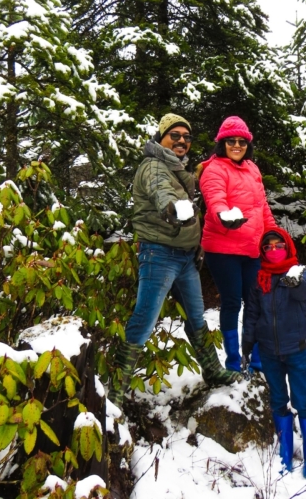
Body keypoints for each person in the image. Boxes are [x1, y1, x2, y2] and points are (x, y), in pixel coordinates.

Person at [111, 114, 240, 407]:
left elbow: (183, 184)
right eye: (175, 135)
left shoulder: (174, 168)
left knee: (196, 318)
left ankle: (213, 370)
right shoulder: (154, 166)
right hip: (160, 254)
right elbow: (162, 192)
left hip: (184, 257)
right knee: (144, 321)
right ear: (161, 137)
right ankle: (116, 389)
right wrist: (173, 208)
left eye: (187, 137)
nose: (182, 141)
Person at [199, 116, 280, 373]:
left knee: (255, 302)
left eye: (242, 141)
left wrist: (275, 236)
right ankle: (234, 362)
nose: (237, 145)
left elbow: (262, 206)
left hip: (252, 248)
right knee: (232, 302)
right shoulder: (213, 169)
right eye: (231, 141)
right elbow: (215, 199)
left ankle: (255, 359)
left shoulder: (253, 169)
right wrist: (224, 215)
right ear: (221, 143)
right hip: (223, 249)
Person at [242, 228, 306, 478]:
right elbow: (252, 314)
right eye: (268, 247)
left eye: (279, 245)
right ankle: (285, 455)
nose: (274, 250)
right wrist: (247, 344)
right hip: (268, 352)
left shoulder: (298, 272)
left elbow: (303, 292)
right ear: (262, 251)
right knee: (278, 401)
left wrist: (293, 281)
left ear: (287, 247)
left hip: (295, 350)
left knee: (302, 402)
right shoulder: (259, 278)